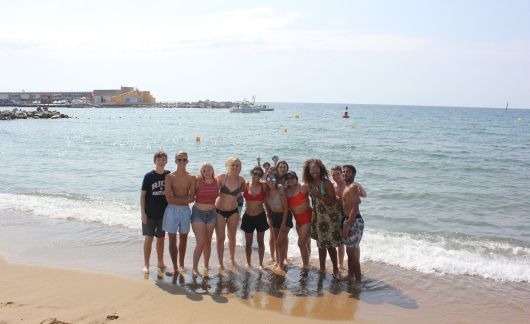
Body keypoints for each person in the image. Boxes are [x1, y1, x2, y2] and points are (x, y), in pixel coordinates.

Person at [303, 159, 342, 278]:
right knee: (320, 245)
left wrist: (319, 195)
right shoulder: (310, 184)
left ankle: (335, 270)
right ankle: (322, 269)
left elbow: (332, 202)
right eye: (311, 169)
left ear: (321, 169)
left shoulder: (326, 183)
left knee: (330, 246)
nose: (314, 171)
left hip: (330, 218)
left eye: (316, 168)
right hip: (318, 218)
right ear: (308, 171)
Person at [163, 151, 196, 275]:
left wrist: (177, 198)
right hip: (171, 210)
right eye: (179, 159)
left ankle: (181, 265)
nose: (182, 162)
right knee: (172, 239)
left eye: (184, 160)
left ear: (187, 161)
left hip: (185, 211)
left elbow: (192, 198)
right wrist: (184, 199)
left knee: (183, 239)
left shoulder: (192, 177)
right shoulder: (170, 177)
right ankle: (175, 266)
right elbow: (168, 199)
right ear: (175, 161)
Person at [140, 150, 170, 274]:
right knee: (149, 238)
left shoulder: (169, 175)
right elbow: (142, 196)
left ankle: (160, 262)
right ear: (154, 161)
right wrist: (143, 213)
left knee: (161, 239)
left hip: (164, 214)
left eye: (163, 159)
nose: (161, 161)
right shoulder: (148, 176)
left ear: (166, 161)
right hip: (150, 213)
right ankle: (146, 265)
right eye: (159, 159)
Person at [215, 156, 246, 269]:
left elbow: (243, 195)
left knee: (232, 236)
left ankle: (232, 258)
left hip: (234, 212)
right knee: (220, 238)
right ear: (227, 166)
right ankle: (220, 261)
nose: (235, 167)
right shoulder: (222, 177)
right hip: (219, 211)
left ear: (240, 168)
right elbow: (210, 186)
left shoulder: (242, 180)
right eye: (232, 165)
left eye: (237, 165)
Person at [191, 163, 219, 276]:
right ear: (202, 173)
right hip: (198, 213)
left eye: (209, 170)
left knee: (208, 242)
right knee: (201, 242)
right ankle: (195, 268)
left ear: (212, 171)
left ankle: (206, 266)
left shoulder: (217, 182)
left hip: (212, 214)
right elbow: (190, 193)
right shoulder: (198, 182)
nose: (207, 172)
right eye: (204, 170)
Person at [240, 166, 268, 269]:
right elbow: (234, 191)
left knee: (261, 242)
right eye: (255, 173)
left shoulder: (263, 186)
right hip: (248, 217)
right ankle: (248, 262)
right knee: (248, 243)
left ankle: (261, 263)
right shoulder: (246, 185)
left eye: (259, 175)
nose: (256, 176)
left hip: (260, 216)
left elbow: (274, 185)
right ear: (251, 173)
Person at [264, 170, 292, 273]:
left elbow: (286, 208)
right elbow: (266, 205)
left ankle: (281, 264)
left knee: (280, 241)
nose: (271, 181)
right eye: (269, 179)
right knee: (276, 241)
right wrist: (269, 217)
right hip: (274, 216)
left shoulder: (280, 190)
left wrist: (284, 223)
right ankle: (278, 260)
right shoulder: (266, 191)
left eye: (273, 179)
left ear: (277, 180)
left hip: (284, 216)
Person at [285, 170, 312, 268]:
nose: (290, 180)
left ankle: (305, 265)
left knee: (301, 243)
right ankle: (308, 261)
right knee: (306, 242)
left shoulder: (303, 187)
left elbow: (315, 193)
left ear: (296, 178)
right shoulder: (286, 191)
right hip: (298, 220)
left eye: (292, 178)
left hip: (307, 218)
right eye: (287, 178)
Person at [342, 174, 364, 283]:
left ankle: (358, 281)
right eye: (343, 171)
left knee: (352, 253)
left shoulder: (352, 187)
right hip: (349, 220)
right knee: (349, 252)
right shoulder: (347, 187)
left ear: (353, 174)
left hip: (354, 221)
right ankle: (350, 275)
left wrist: (347, 225)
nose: (344, 173)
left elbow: (355, 207)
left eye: (347, 171)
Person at [330, 165, 347, 271]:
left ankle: (341, 264)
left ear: (342, 173)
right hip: (334, 216)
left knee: (344, 242)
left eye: (337, 174)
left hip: (347, 215)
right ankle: (338, 264)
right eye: (333, 175)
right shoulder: (331, 185)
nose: (336, 176)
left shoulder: (348, 184)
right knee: (336, 241)